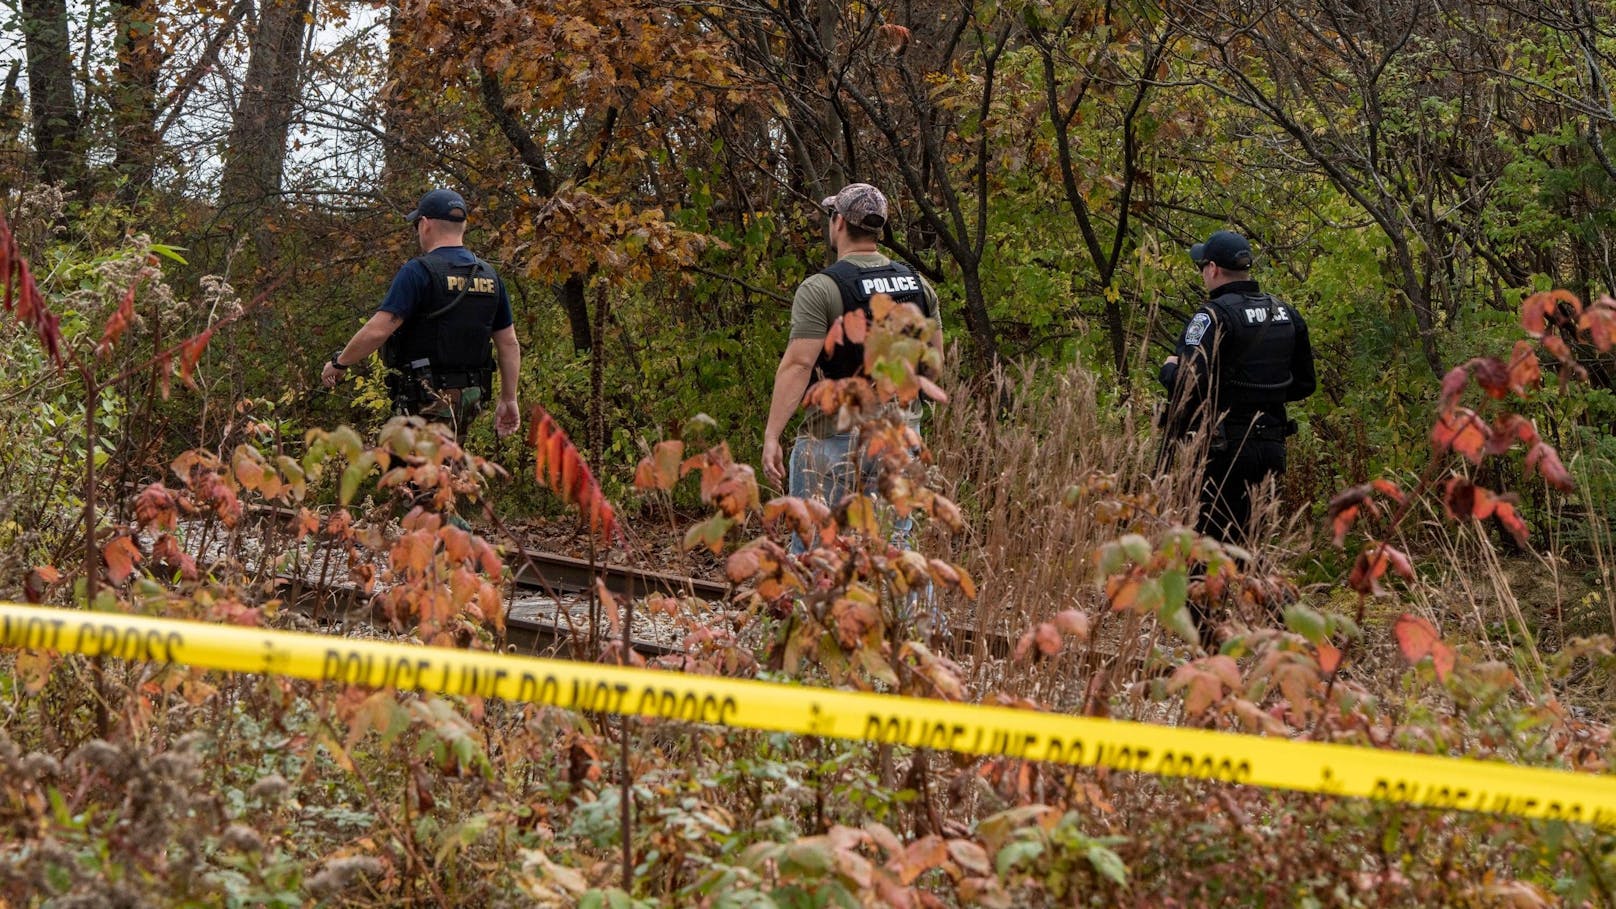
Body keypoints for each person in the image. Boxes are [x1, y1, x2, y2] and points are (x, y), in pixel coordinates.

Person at [761, 183, 942, 549]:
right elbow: (933, 368)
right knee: (894, 552)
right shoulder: (917, 285)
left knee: (816, 552)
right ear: (879, 229)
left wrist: (772, 436)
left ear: (838, 222)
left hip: (832, 439)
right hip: (899, 437)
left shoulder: (821, 288)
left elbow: (798, 365)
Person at [322, 188, 521, 440]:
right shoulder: (489, 275)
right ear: (463, 226)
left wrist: (340, 362)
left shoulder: (418, 271)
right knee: (449, 466)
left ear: (425, 225)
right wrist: (509, 398)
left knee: (412, 473)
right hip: (471, 397)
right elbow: (509, 342)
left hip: (428, 398)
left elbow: (378, 329)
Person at [1159, 230, 1316, 547]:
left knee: (1209, 548)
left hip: (1222, 449)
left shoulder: (1212, 317)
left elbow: (1188, 386)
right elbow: (1304, 384)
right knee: (1254, 545)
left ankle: (1206, 598)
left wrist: (1169, 369)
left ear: (1213, 269)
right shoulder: (1285, 313)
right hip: (1271, 444)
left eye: (1203, 266)